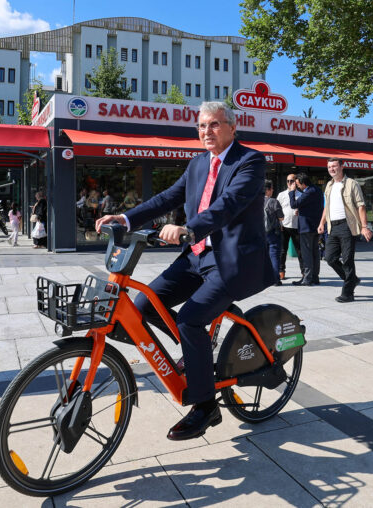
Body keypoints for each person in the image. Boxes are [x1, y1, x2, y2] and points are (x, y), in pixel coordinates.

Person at [95, 101, 274, 441]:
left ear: (232, 127)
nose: (207, 131)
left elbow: (228, 205)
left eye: (215, 124)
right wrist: (126, 218)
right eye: (202, 126)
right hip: (195, 257)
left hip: (232, 261)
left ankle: (205, 406)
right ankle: (197, 354)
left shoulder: (249, 161)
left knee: (190, 319)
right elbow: (167, 198)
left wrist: (189, 228)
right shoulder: (197, 164)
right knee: (144, 305)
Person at [317, 158, 372, 302]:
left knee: (347, 260)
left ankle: (348, 293)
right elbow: (327, 207)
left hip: (347, 226)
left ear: (342, 167)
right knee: (330, 258)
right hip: (332, 226)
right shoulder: (329, 185)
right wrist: (322, 223)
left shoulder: (351, 184)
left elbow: (361, 205)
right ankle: (352, 279)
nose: (331, 169)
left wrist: (364, 227)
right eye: (329, 167)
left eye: (334, 166)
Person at [289, 173, 324, 286]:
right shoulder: (317, 190)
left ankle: (307, 278)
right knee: (315, 253)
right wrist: (302, 210)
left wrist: (292, 192)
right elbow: (311, 206)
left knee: (307, 253)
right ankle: (315, 277)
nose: (297, 186)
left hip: (307, 228)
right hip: (315, 226)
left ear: (303, 183)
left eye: (298, 184)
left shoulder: (308, 192)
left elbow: (294, 204)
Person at [277, 173, 303, 280]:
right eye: (288, 181)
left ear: (296, 181)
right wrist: (279, 224)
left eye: (291, 181)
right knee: (283, 250)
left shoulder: (301, 195)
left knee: (300, 250)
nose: (289, 183)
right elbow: (277, 210)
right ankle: (281, 271)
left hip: (297, 226)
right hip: (284, 226)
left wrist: (300, 212)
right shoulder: (281, 195)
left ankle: (304, 272)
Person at [264, 179, 284, 286]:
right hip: (272, 233)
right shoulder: (273, 202)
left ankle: (264, 279)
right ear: (267, 190)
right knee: (274, 256)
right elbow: (281, 217)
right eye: (271, 188)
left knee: (263, 257)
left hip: (259, 233)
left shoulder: (255, 201)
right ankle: (275, 280)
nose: (272, 190)